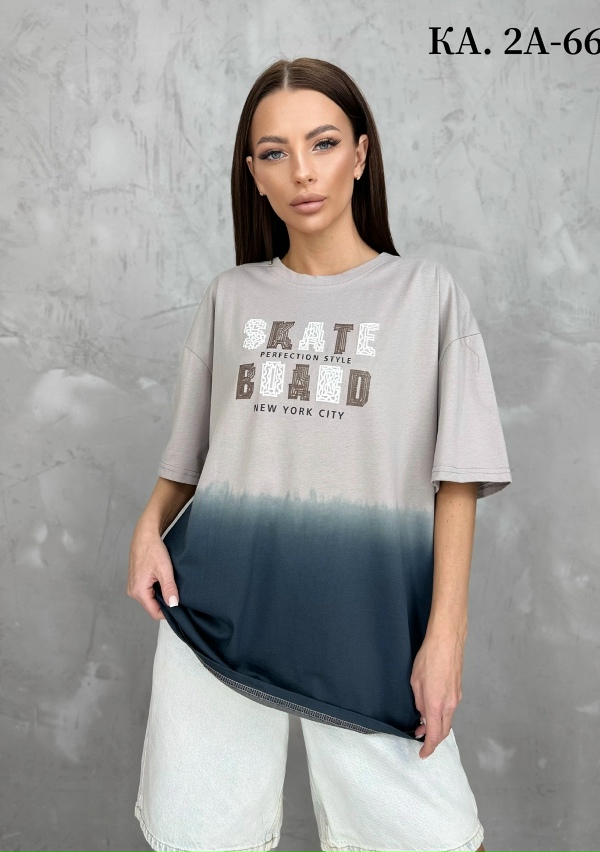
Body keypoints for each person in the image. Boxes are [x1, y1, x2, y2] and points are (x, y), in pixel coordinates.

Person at [128, 56, 511, 852]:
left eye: (324, 143)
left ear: (361, 155)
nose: (301, 171)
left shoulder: (427, 296)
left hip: (366, 627)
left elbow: (459, 480)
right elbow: (190, 458)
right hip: (214, 618)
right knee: (200, 840)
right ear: (254, 174)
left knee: (434, 836)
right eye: (275, 153)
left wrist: (445, 637)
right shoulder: (230, 297)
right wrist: (146, 530)